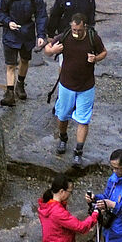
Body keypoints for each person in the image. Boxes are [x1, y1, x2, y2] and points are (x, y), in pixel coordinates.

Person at [42, 13, 106, 161]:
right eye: (74, 30)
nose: (76, 32)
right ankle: (63, 138)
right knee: (62, 115)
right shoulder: (65, 36)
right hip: (66, 85)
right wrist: (52, 51)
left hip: (86, 87)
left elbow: (104, 52)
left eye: (79, 30)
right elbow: (47, 49)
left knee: (83, 120)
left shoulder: (92, 38)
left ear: (84, 26)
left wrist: (96, 58)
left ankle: (78, 151)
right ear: (71, 26)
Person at [0, 0, 46, 105]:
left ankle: (20, 84)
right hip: (11, 33)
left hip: (26, 33)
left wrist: (41, 35)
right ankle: (10, 93)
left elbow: (41, 15)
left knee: (24, 60)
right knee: (10, 65)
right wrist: (8, 22)